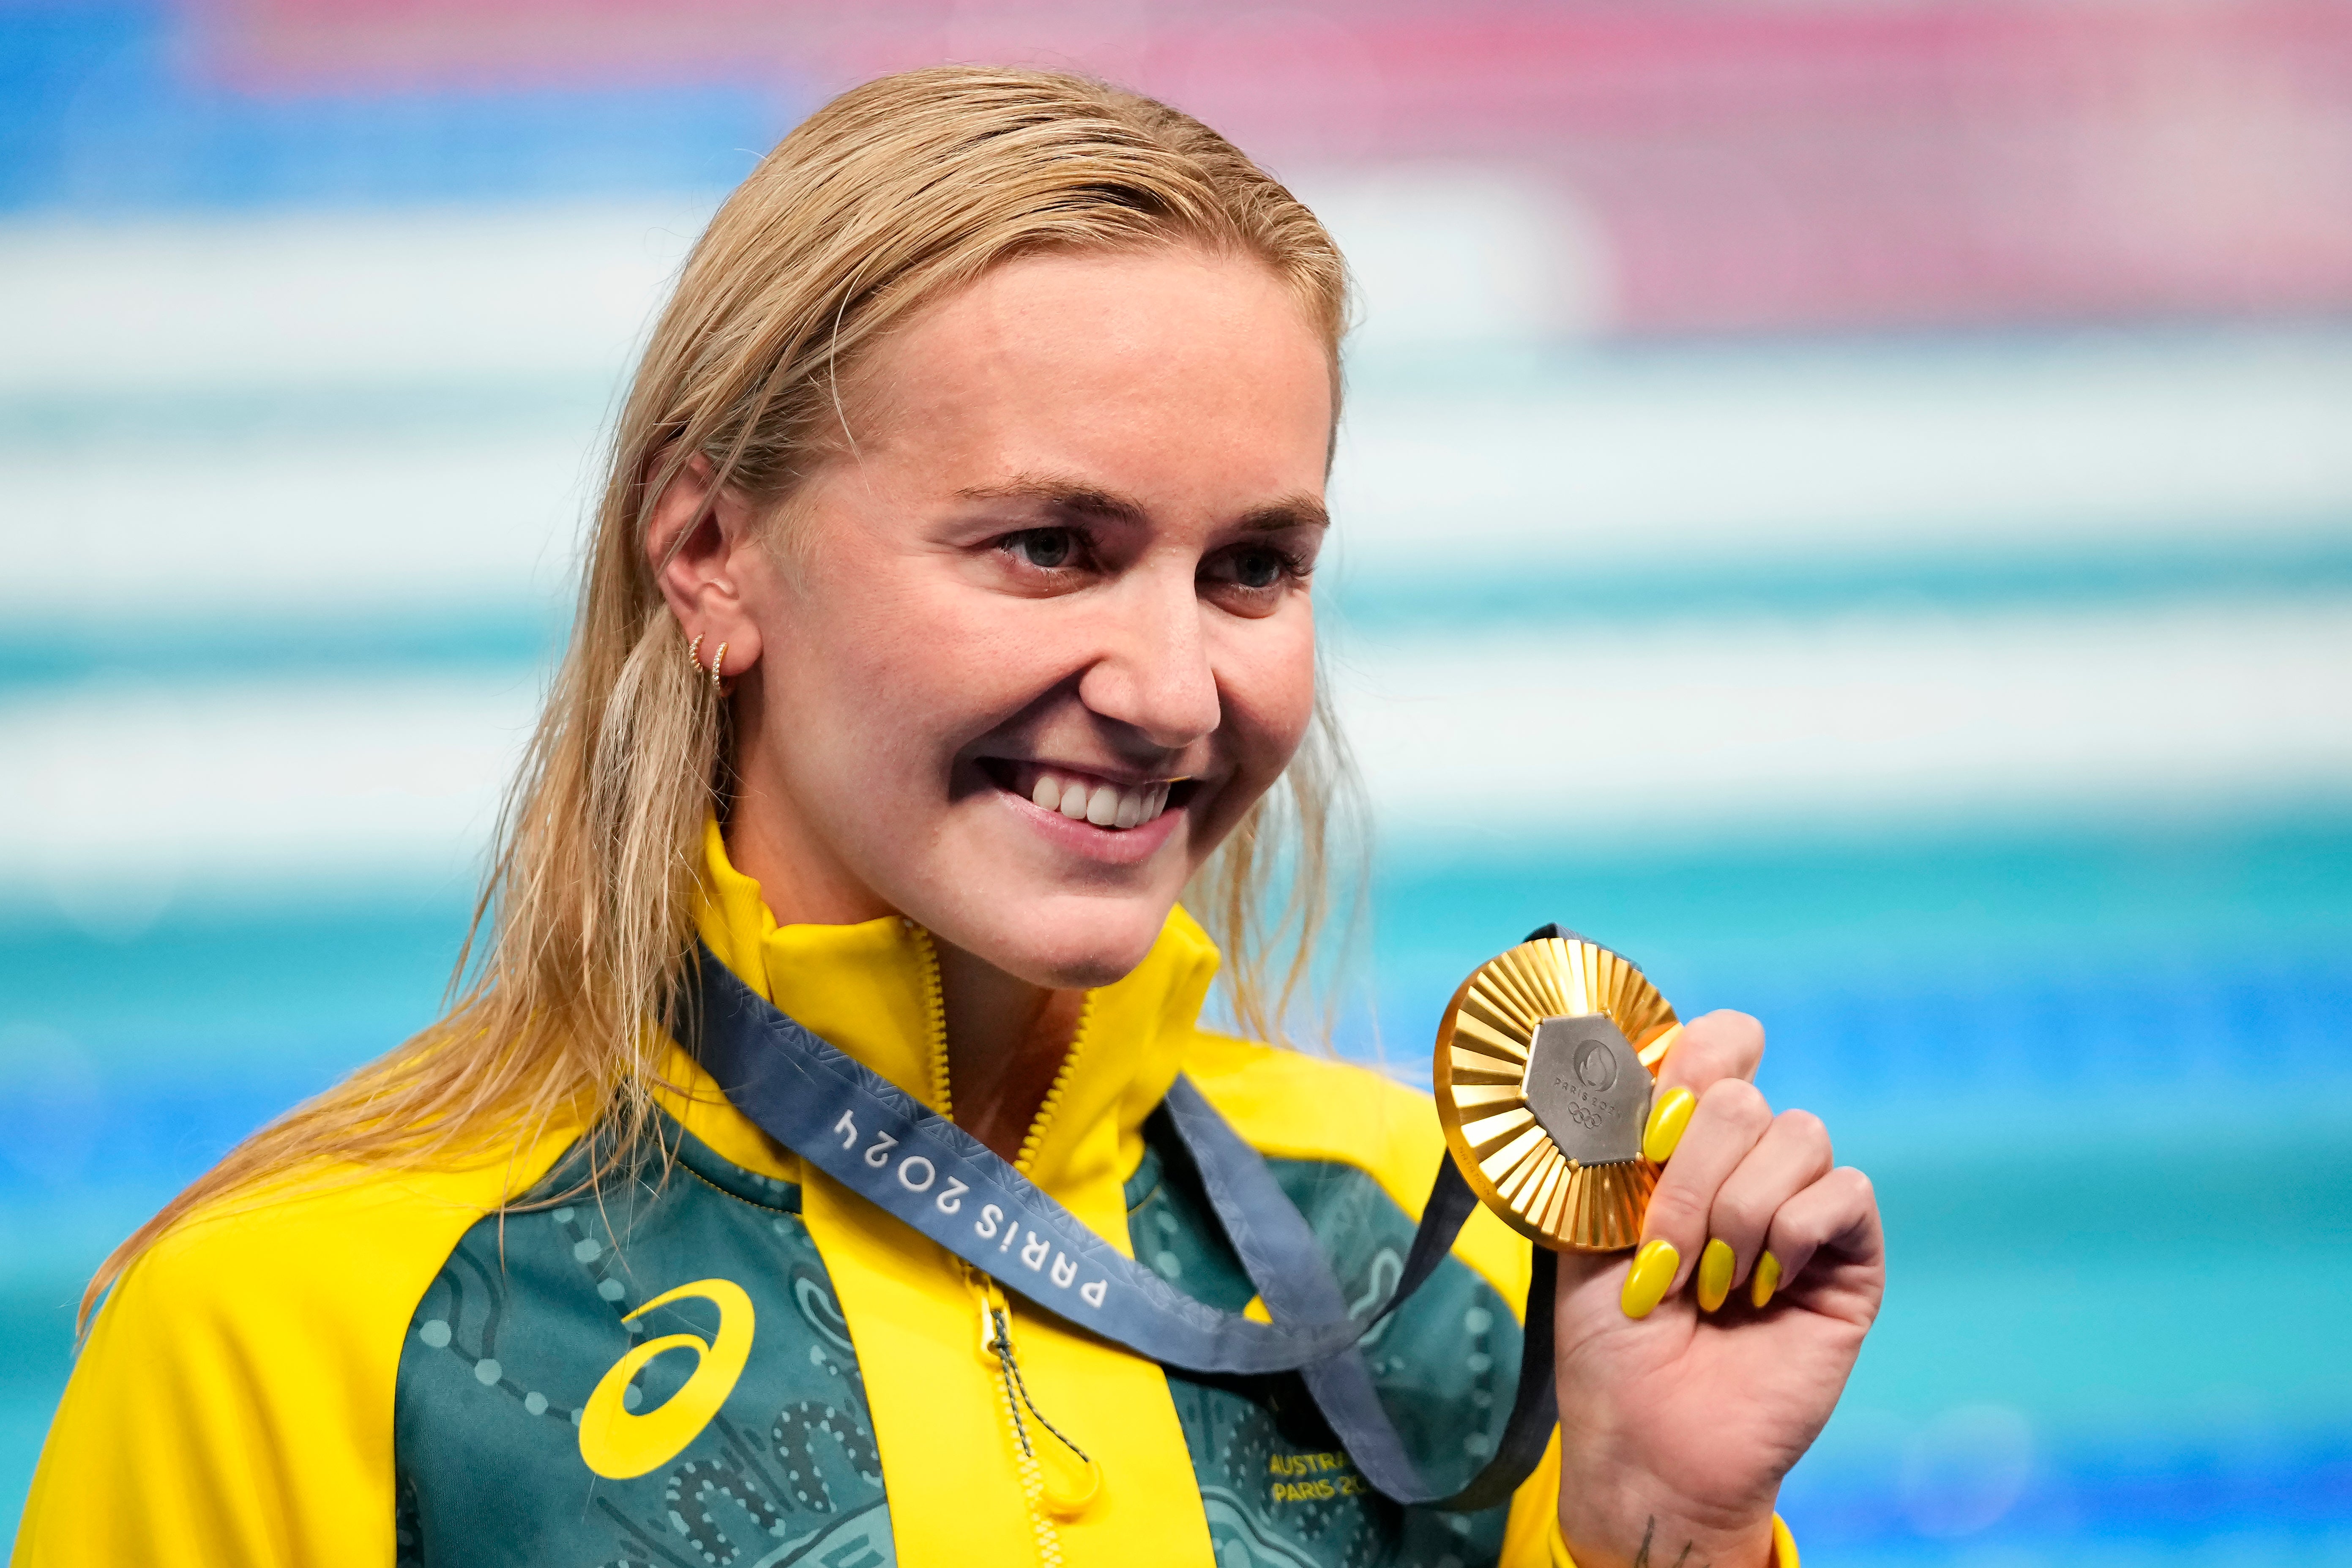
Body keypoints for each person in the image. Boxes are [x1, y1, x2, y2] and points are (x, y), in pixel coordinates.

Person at [14, 67, 1883, 1568]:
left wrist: (1674, 1529)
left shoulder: (1458, 1263)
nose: (1170, 686)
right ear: (709, 553)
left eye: (1250, 568)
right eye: (1049, 547)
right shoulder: (301, 1315)